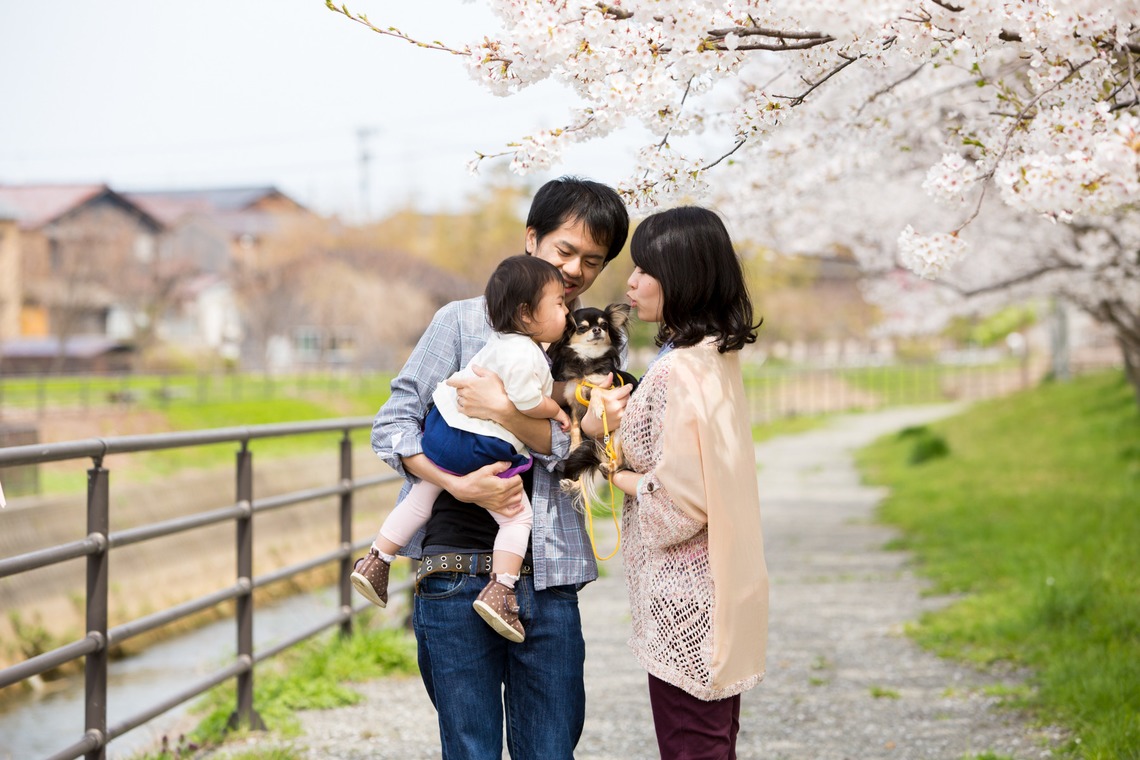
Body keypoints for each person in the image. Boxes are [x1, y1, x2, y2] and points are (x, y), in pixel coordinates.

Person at [371, 176, 630, 759]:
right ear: (532, 238)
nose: (575, 271)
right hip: (454, 571)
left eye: (593, 262)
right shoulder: (460, 324)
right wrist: (454, 482)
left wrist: (506, 415)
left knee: (550, 750)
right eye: (565, 251)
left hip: (551, 576)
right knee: (470, 749)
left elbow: (597, 455)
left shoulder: (595, 340)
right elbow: (391, 426)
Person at [604, 206, 768, 759]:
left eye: (646, 269)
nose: (631, 282)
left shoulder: (676, 370)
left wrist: (616, 472)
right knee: (714, 744)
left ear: (684, 275)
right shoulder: (716, 357)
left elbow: (677, 505)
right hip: (723, 587)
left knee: (692, 748)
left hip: (685, 598)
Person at [352, 255, 571, 643]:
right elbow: (525, 402)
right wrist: (556, 409)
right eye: (559, 304)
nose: (567, 311)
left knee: (422, 496)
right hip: (481, 447)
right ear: (526, 313)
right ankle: (501, 590)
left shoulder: (495, 340)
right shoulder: (528, 353)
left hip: (441, 430)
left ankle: (376, 559)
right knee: (517, 519)